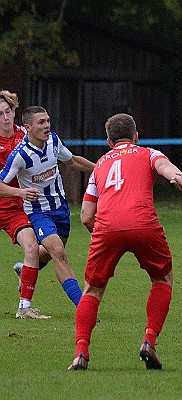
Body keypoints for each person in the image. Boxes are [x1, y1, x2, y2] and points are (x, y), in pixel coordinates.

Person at [67, 113, 182, 371]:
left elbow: (86, 216)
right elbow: (164, 166)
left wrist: (101, 234)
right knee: (162, 279)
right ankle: (149, 340)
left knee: (92, 290)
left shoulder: (99, 165)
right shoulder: (147, 153)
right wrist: (176, 176)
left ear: (109, 141)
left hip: (107, 228)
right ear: (136, 137)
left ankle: (81, 353)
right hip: (143, 224)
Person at [0, 105, 95, 309]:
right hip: (38, 212)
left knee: (51, 251)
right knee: (59, 253)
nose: (47, 126)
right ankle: (83, 306)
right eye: (41, 122)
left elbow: (72, 162)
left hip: (60, 208)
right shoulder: (20, 155)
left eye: (48, 121)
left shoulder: (53, 141)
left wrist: (99, 169)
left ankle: (24, 269)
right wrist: (20, 193)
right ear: (28, 127)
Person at [0, 91, 51, 319]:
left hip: (17, 206)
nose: (5, 118)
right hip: (9, 199)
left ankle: (24, 307)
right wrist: (21, 191)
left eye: (8, 112)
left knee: (50, 246)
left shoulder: (25, 135)